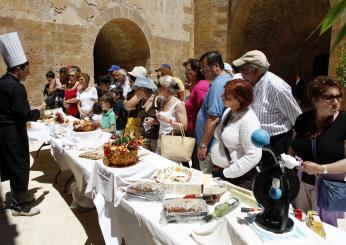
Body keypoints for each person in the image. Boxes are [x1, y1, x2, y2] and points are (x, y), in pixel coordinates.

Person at [290, 76, 346, 226]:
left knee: (324, 229)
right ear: (315, 100)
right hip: (301, 183)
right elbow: (293, 146)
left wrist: (321, 168)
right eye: (329, 97)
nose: (335, 101)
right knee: (300, 223)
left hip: (330, 186)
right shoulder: (303, 120)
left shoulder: (344, 121)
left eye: (338, 96)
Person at [0, 32, 45, 216]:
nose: (29, 73)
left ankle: (21, 196)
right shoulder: (17, 86)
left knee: (12, 164)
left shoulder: (2, 82)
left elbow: (10, 108)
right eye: (27, 69)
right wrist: (39, 111)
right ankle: (20, 206)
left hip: (4, 131)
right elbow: (23, 114)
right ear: (19, 69)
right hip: (13, 133)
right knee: (20, 164)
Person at [232, 50, 301, 154]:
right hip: (252, 139)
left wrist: (294, 147)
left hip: (275, 141)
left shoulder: (277, 88)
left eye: (243, 69)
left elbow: (297, 118)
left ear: (255, 71)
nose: (240, 72)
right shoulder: (248, 82)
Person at [211, 79, 262, 190]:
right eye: (224, 94)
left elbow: (253, 155)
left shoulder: (248, 120)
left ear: (240, 100)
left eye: (228, 97)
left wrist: (228, 173)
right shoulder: (229, 111)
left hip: (238, 179)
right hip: (222, 173)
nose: (222, 98)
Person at [195, 51, 232, 173]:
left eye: (204, 68)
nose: (202, 71)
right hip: (214, 145)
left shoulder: (218, 85)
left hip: (211, 147)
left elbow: (214, 118)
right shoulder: (224, 80)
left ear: (216, 66)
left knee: (208, 182)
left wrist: (203, 145)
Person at [183, 58, 209, 169]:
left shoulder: (200, 87)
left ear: (197, 71)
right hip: (193, 133)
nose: (186, 73)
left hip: (197, 134)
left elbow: (206, 112)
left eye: (188, 70)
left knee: (197, 168)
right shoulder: (196, 87)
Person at [156, 75, 188, 154]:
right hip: (160, 139)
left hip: (172, 141)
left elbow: (184, 126)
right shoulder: (162, 101)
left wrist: (168, 121)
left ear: (165, 88)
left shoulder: (178, 104)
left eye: (159, 86)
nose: (157, 88)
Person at [125, 77, 159, 150]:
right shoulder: (141, 101)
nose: (136, 91)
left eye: (138, 89)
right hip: (143, 137)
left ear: (143, 89)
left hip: (155, 139)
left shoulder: (157, 100)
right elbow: (128, 107)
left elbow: (165, 118)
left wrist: (154, 121)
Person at [123, 67, 149, 139]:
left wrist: (127, 103)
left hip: (142, 127)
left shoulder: (141, 91)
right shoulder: (138, 91)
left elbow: (127, 106)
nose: (129, 82)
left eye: (132, 80)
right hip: (138, 125)